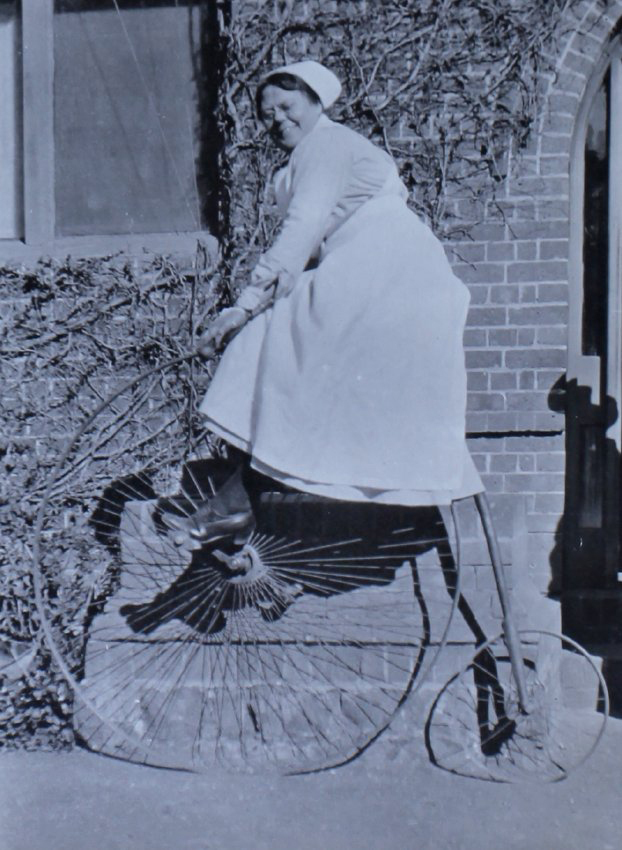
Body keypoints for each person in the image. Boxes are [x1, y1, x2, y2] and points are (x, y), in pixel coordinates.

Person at [173, 59, 482, 543]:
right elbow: (309, 243)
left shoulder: (328, 145)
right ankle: (240, 499)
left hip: (387, 269)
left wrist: (244, 305)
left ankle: (240, 499)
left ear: (317, 103)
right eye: (266, 112)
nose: (277, 118)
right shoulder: (303, 161)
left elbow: (303, 229)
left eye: (287, 106)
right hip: (375, 270)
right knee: (272, 348)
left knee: (287, 348)